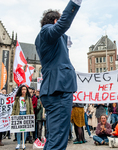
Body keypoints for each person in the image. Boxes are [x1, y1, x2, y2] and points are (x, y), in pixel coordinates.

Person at [35, 0, 82, 149]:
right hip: (59, 89)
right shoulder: (47, 30)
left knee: (53, 137)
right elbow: (63, 24)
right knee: (58, 139)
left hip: (53, 88)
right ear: (55, 20)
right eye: (58, 20)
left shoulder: (47, 38)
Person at [11, 85, 34, 150]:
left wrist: (32, 115)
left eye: (25, 89)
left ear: (26, 91)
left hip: (26, 114)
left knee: (25, 130)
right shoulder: (18, 98)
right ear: (20, 90)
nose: (24, 91)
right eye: (22, 89)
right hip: (19, 113)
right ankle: (18, 143)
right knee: (18, 130)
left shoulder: (28, 98)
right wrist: (12, 114)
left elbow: (31, 107)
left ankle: (23, 143)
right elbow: (14, 107)